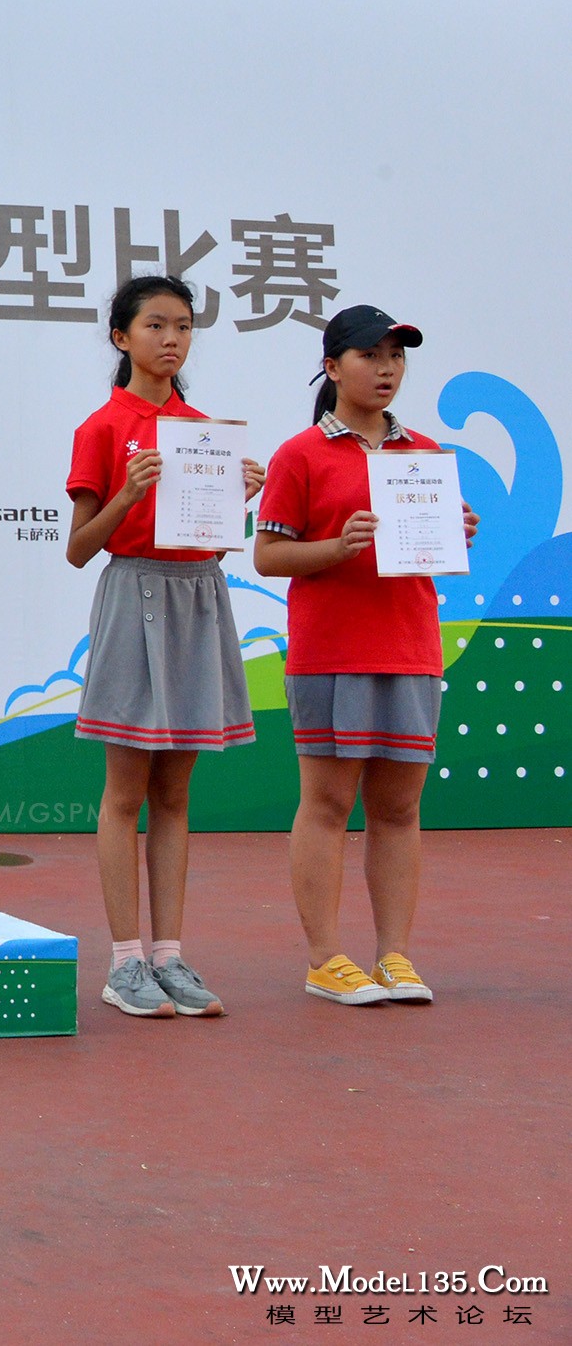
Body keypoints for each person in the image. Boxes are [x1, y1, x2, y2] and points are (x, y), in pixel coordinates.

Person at [255, 306, 475, 1007]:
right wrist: (337, 546)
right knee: (325, 802)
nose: (385, 369)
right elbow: (269, 554)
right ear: (332, 366)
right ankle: (325, 957)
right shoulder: (300, 454)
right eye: (369, 355)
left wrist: (456, 529)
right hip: (330, 650)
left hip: (410, 645)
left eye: (395, 356)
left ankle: (396, 956)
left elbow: (431, 556)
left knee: (399, 808)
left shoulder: (427, 453)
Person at [64, 277, 266, 1021]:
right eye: (155, 325)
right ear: (122, 337)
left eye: (183, 326)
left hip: (197, 595)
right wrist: (127, 492)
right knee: (125, 792)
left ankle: (170, 954)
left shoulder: (202, 427)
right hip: (133, 593)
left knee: (176, 793)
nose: (172, 339)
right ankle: (124, 962)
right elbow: (80, 547)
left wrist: (238, 494)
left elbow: (205, 531)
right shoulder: (103, 426)